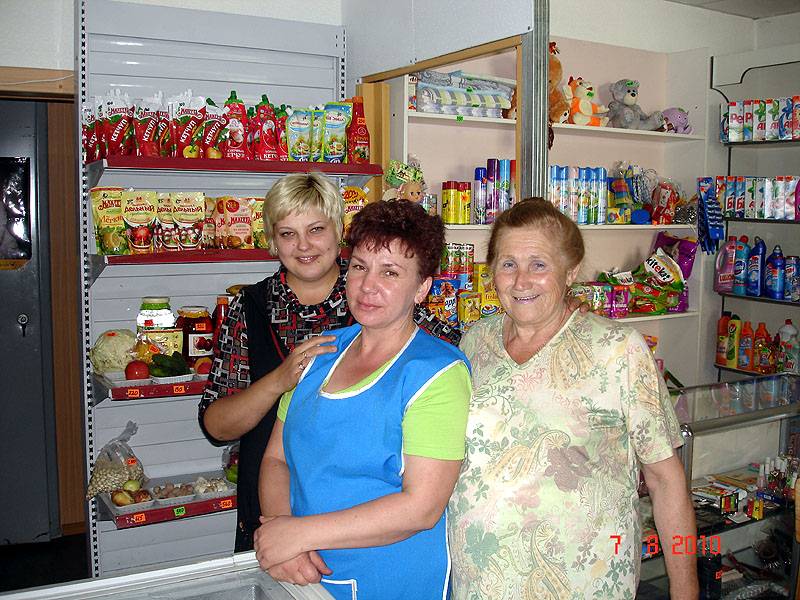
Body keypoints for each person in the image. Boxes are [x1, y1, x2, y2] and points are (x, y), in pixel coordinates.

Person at [448, 198, 698, 600]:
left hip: (586, 583)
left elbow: (666, 482)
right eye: (508, 264)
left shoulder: (618, 350)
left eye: (539, 265)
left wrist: (686, 591)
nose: (520, 281)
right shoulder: (474, 342)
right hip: (479, 584)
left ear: (571, 271)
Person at [199, 172, 460, 552]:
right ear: (272, 240)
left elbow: (444, 355)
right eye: (287, 233)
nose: (303, 245)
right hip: (271, 508)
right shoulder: (251, 307)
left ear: (339, 231)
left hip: (364, 524)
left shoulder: (373, 299)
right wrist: (279, 381)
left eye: (316, 229)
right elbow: (217, 426)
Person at [253, 200, 472, 599]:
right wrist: (283, 536)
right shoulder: (318, 353)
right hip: (304, 574)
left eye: (390, 272)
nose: (368, 286)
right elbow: (276, 459)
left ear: (422, 288)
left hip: (390, 580)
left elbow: (421, 508)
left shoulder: (436, 373)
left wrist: (296, 534)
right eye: (359, 267)